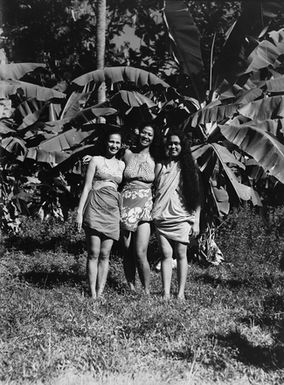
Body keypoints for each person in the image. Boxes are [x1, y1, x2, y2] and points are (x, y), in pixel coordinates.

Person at [76, 129, 125, 299]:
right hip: (95, 207)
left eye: (117, 143)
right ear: (106, 142)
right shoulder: (95, 160)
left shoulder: (122, 164)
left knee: (105, 255)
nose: (114, 145)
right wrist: (79, 213)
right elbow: (87, 186)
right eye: (111, 141)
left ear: (121, 145)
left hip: (113, 211)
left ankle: (101, 291)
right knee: (93, 253)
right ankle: (92, 293)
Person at [152, 129, 201, 300]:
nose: (173, 146)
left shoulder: (189, 167)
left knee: (181, 255)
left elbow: (196, 197)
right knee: (165, 255)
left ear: (182, 146)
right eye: (170, 143)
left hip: (182, 216)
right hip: (161, 215)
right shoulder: (160, 165)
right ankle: (165, 293)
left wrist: (196, 221)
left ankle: (180, 293)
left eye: (177, 144)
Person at [120, 123, 156, 294]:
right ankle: (131, 287)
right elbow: (110, 163)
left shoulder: (156, 158)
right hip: (126, 202)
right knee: (126, 250)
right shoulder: (127, 154)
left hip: (145, 205)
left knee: (140, 251)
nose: (146, 136)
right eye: (144, 132)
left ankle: (147, 290)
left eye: (150, 134)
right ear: (138, 132)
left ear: (153, 138)